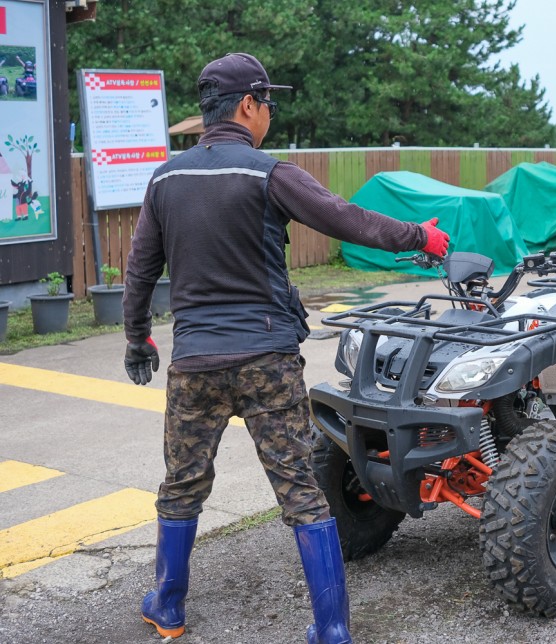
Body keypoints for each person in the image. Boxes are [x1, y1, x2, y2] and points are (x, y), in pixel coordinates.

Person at [122, 52, 449, 643]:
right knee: (300, 489)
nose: (270, 113)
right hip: (267, 360)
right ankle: (330, 629)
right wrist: (418, 235)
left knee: (183, 482)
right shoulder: (270, 173)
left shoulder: (165, 178)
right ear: (247, 105)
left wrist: (135, 337)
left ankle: (167, 607)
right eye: (268, 102)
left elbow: (141, 267)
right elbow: (345, 219)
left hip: (195, 362)